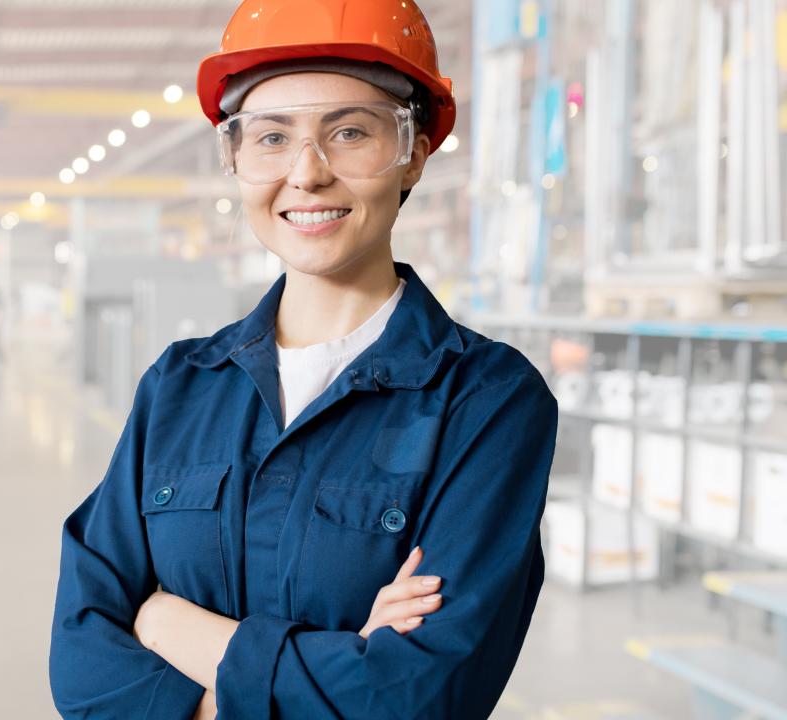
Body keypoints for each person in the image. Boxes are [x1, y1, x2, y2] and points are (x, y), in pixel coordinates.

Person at [49, 1, 559, 718]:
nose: (307, 173)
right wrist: (338, 664)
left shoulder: (487, 402)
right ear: (234, 158)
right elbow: (81, 660)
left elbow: (417, 697)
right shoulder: (180, 387)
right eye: (271, 138)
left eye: (350, 133)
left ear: (413, 150)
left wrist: (169, 624)